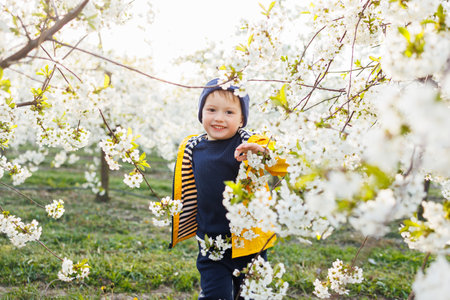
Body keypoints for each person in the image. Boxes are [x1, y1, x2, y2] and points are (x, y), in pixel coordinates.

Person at [169, 78, 287, 299]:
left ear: (242, 119)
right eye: (211, 109)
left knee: (252, 295)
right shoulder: (192, 147)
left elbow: (283, 164)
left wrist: (262, 152)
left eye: (229, 112)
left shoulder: (250, 143)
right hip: (211, 244)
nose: (219, 118)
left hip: (250, 245)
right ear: (201, 113)